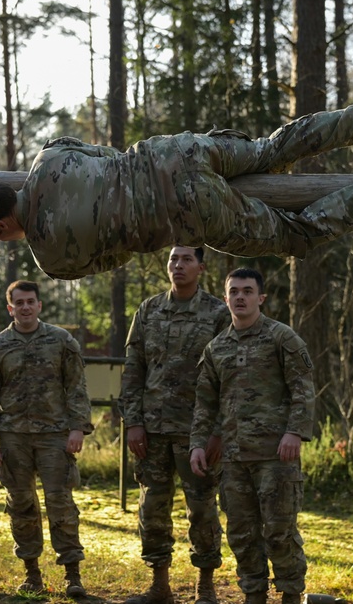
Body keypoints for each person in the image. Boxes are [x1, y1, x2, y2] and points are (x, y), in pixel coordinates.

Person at [0, 89, 353, 280]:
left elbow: (120, 254)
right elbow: (105, 156)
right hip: (174, 153)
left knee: (297, 235)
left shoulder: (52, 259)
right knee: (272, 149)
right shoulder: (50, 156)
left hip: (183, 211)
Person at [190, 268, 317, 604]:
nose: (240, 297)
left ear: (261, 297)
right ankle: (254, 594)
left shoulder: (281, 338)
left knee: (279, 532)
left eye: (247, 291)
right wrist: (197, 446)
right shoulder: (216, 348)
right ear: (226, 297)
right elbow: (205, 403)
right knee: (242, 534)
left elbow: (303, 389)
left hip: (276, 456)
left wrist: (294, 432)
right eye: (234, 292)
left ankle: (291, 594)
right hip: (233, 459)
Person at [120, 246, 230, 604]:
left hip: (195, 432)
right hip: (151, 430)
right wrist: (133, 422)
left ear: (201, 266)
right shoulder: (149, 310)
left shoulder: (217, 313)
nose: (178, 265)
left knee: (201, 508)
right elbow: (133, 368)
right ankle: (159, 585)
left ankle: (206, 585)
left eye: (186, 259)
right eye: (173, 259)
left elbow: (226, 377)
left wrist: (216, 432)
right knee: (152, 508)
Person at [0, 280, 93, 598]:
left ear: (39, 305)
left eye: (31, 302)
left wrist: (78, 427)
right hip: (14, 437)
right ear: (10, 308)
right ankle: (32, 574)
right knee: (22, 506)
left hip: (55, 435)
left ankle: (72, 574)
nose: (25, 307)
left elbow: (77, 387)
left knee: (61, 504)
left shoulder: (61, 341)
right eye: (19, 303)